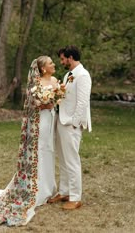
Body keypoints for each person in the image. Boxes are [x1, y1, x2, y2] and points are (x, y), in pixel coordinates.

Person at [0, 56, 59, 226]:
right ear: (43, 68)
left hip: (52, 120)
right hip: (41, 122)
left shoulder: (55, 80)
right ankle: (37, 189)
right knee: (40, 151)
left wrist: (55, 99)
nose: (54, 65)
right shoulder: (35, 85)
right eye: (51, 63)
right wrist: (45, 102)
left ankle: (49, 187)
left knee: (49, 150)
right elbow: (35, 103)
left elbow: (58, 98)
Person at [48, 45, 92, 210]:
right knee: (63, 158)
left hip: (71, 124)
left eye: (63, 58)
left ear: (71, 57)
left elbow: (82, 102)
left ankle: (75, 197)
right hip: (61, 121)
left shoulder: (83, 75)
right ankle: (64, 191)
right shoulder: (68, 75)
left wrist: (74, 123)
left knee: (72, 160)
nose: (61, 62)